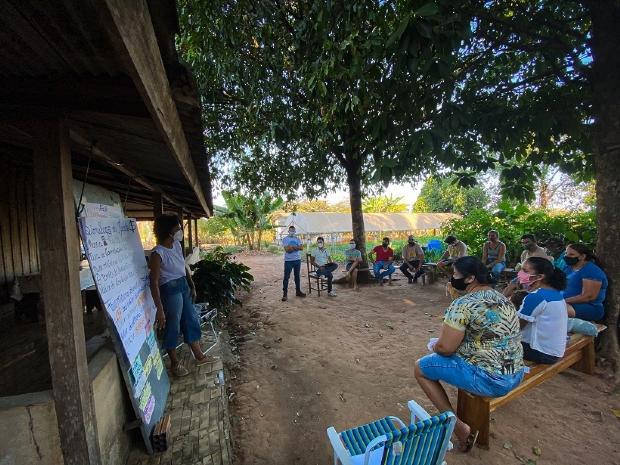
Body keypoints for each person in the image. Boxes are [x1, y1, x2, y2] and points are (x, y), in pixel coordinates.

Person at [414, 256, 524, 453]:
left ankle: (458, 427)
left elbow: (446, 348)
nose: (452, 277)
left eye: (456, 274)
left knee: (420, 368)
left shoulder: (463, 304)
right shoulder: (502, 299)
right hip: (516, 374)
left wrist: (436, 346)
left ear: (470, 278)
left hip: (490, 379)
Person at [149, 214, 218, 377]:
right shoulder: (157, 253)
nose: (180, 231)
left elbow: (183, 267)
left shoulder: (177, 246)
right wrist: (159, 309)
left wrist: (191, 285)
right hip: (170, 290)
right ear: (169, 230)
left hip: (183, 286)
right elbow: (154, 282)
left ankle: (199, 356)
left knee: (191, 320)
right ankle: (174, 363)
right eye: (177, 228)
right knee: (173, 325)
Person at [516, 257, 568, 364]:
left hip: (542, 353)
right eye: (521, 270)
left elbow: (517, 325)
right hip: (554, 351)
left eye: (525, 271)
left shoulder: (536, 297)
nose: (521, 273)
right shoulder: (554, 293)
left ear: (540, 276)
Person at [562, 244, 608, 321]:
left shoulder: (592, 271)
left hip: (589, 307)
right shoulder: (567, 267)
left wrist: (562, 301)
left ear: (582, 256)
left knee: (555, 309)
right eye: (566, 253)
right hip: (567, 303)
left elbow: (588, 296)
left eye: (571, 254)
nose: (567, 256)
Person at [281, 225, 306, 302]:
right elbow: (287, 250)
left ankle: (298, 291)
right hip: (288, 261)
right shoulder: (285, 239)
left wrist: (292, 247)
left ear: (295, 232)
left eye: (293, 231)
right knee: (286, 277)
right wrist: (296, 247)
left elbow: (301, 248)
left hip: (297, 260)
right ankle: (285, 294)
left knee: (297, 276)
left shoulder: (297, 239)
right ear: (288, 231)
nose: (292, 232)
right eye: (290, 231)